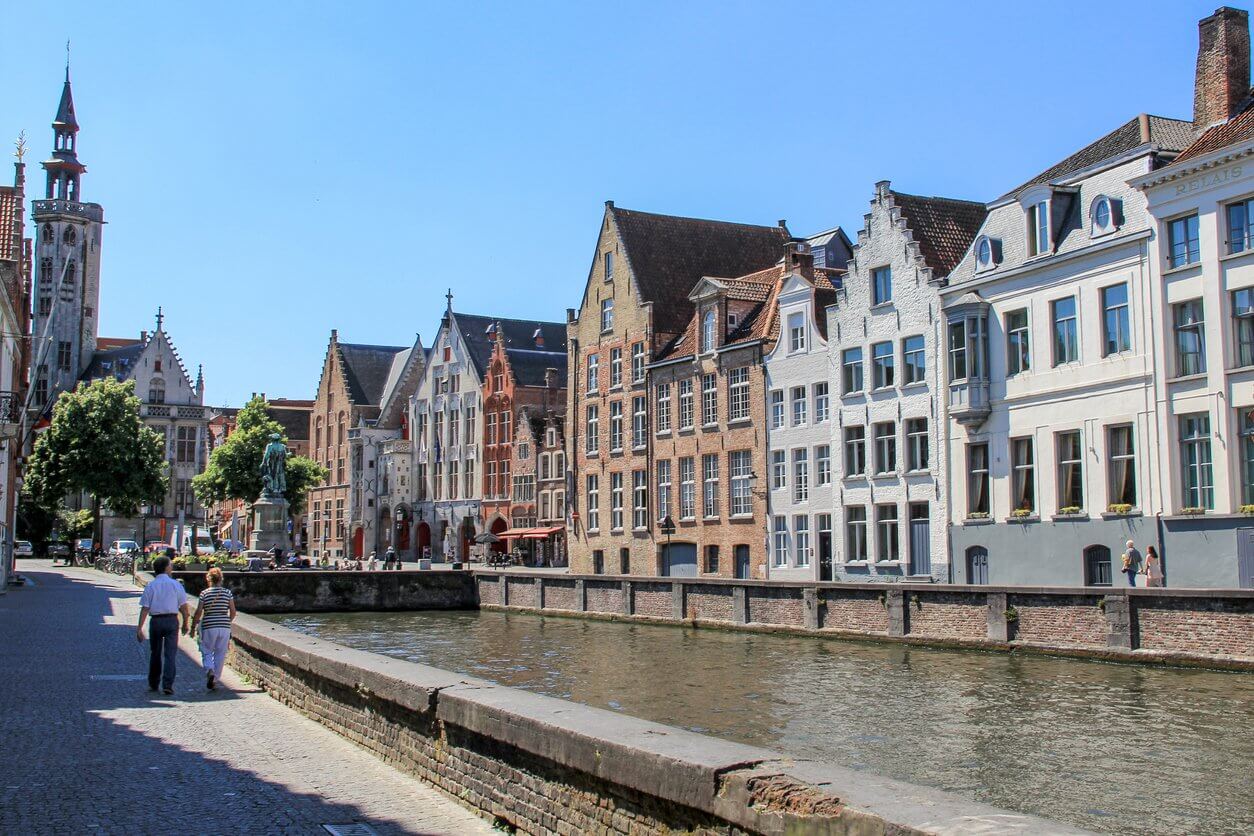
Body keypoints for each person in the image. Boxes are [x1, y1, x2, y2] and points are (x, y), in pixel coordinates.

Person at [136, 555, 192, 695]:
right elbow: (184, 607)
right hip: (171, 620)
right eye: (171, 565)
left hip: (156, 621)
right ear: (167, 568)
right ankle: (168, 684)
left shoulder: (151, 585)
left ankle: (154, 682)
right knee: (170, 654)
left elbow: (145, 608)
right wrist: (185, 623)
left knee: (155, 653)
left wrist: (139, 628)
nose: (172, 567)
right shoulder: (175, 584)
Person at [190, 567, 236, 690]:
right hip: (224, 626)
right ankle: (215, 679)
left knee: (206, 650)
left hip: (209, 625)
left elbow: (199, 612)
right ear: (221, 579)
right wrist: (227, 621)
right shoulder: (227, 593)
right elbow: (233, 611)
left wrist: (193, 626)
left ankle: (209, 669)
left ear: (209, 579)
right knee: (220, 653)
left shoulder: (204, 593)